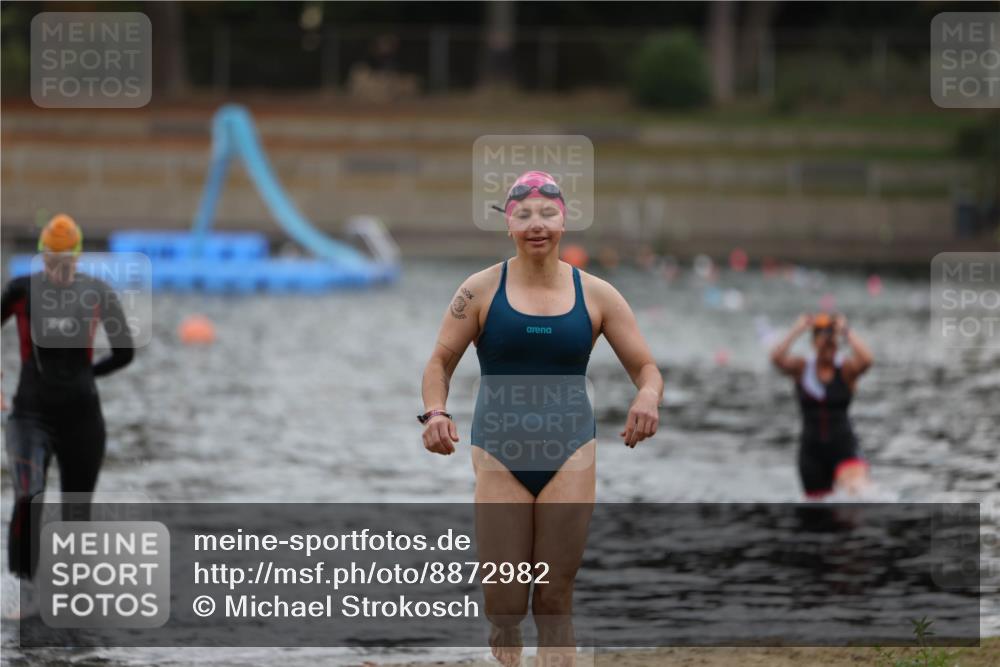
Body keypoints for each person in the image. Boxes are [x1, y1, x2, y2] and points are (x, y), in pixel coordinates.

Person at [419, 171, 663, 666]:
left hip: (570, 450)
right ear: (508, 224)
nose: (537, 225)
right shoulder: (480, 290)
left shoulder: (598, 295)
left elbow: (647, 368)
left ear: (564, 220)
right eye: (524, 215)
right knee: (506, 605)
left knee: (554, 596)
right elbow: (439, 362)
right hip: (498, 454)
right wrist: (435, 413)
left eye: (547, 214)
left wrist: (648, 398)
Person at [1, 214, 134, 593]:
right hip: (30, 417)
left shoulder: (99, 293)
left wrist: (87, 376)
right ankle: (22, 591)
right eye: (51, 260)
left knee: (76, 513)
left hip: (83, 421)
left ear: (77, 259)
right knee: (29, 496)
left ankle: (69, 595)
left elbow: (124, 353)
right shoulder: (20, 292)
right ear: (42, 258)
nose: (58, 268)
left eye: (66, 261)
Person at [770, 312, 874, 499]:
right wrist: (798, 329)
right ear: (814, 343)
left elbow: (867, 360)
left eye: (832, 342)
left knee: (858, 492)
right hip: (811, 453)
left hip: (844, 447)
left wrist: (845, 331)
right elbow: (776, 359)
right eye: (823, 340)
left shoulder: (846, 370)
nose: (828, 345)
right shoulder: (802, 368)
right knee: (818, 518)